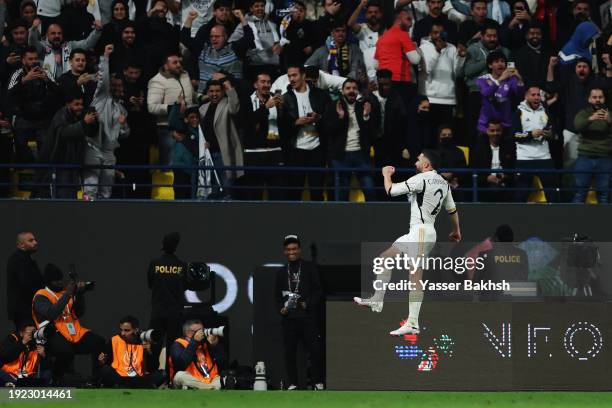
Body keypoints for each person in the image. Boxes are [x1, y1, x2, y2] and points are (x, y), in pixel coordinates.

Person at [354, 150, 461, 336]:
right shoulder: (444, 183)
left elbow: (391, 190)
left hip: (421, 232)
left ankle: (412, 323)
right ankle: (377, 299)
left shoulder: (421, 179)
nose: (416, 161)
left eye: (419, 159)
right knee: (385, 258)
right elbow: (452, 210)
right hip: (417, 233)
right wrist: (456, 230)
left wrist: (386, 174)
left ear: (427, 164)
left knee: (415, 276)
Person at [32, 263, 105, 382]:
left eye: (61, 279)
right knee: (66, 352)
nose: (60, 282)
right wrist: (67, 294)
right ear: (49, 282)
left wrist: (80, 295)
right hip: (52, 333)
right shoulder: (41, 295)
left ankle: (96, 379)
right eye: (57, 281)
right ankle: (55, 376)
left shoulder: (64, 292)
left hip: (73, 332)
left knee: (99, 342)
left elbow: (79, 313)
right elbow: (51, 313)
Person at [275, 235, 323, 390]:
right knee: (290, 353)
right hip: (289, 319)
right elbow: (276, 295)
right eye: (288, 249)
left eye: (294, 249)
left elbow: (318, 291)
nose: (291, 252)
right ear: (284, 252)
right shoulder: (282, 272)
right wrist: (281, 309)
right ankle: (293, 384)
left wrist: (306, 303)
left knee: (315, 351)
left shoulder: (309, 267)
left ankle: (317, 382)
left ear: (299, 250)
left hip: (308, 318)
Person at [278, 65, 331, 201]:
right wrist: (296, 123)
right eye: (289, 76)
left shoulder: (321, 95)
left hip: (317, 148)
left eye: (294, 75)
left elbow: (330, 120)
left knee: (317, 191)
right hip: (296, 150)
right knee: (295, 192)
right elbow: (282, 127)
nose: (291, 79)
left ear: (303, 76)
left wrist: (317, 118)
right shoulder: (285, 98)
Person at [83, 44, 129, 199]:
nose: (116, 88)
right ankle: (87, 216)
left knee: (106, 189)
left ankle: (101, 219)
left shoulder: (122, 109)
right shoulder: (101, 96)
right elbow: (104, 78)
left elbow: (124, 134)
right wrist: (106, 57)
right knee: (90, 187)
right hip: (93, 146)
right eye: (113, 85)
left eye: (119, 86)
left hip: (110, 152)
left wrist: (122, 125)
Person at [35, 91, 99, 199]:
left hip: (71, 166)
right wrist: (84, 123)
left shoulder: (77, 116)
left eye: (81, 104)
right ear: (68, 104)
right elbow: (65, 133)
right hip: (59, 165)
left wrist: (94, 123)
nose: (80, 107)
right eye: (76, 104)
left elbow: (90, 133)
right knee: (63, 196)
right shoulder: (61, 115)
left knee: (70, 197)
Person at [324, 78, 379, 201]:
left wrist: (366, 117)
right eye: (348, 88)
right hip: (341, 156)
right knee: (342, 194)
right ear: (342, 91)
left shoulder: (364, 106)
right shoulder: (334, 106)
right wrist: (340, 117)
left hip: (361, 155)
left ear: (358, 91)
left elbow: (372, 133)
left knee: (370, 190)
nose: (351, 91)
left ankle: (373, 219)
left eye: (354, 88)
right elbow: (328, 131)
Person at [418, 22, 465, 145]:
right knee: (429, 135)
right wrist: (438, 50)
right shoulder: (424, 48)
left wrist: (461, 57)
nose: (438, 36)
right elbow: (427, 68)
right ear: (430, 34)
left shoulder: (452, 48)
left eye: (441, 33)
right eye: (435, 33)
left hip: (448, 100)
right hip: (430, 99)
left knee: (447, 136)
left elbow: (457, 73)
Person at [147, 53, 195, 166]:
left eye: (179, 62)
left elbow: (191, 95)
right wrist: (174, 108)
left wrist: (201, 97)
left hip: (188, 127)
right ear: (166, 66)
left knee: (189, 165)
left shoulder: (185, 75)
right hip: (168, 130)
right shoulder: (157, 81)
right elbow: (152, 107)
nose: (179, 65)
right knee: (171, 167)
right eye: (175, 63)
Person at [198, 78, 244, 196]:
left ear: (222, 92)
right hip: (208, 155)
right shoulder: (203, 108)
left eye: (217, 91)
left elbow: (235, 109)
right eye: (211, 91)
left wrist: (230, 88)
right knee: (212, 189)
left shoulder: (227, 103)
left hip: (223, 154)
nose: (214, 94)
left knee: (226, 188)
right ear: (207, 93)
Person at [512, 85, 557, 202]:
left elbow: (554, 131)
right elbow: (514, 135)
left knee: (552, 193)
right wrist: (531, 134)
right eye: (533, 95)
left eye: (538, 95)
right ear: (526, 96)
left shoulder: (546, 111)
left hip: (544, 157)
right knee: (521, 193)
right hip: (524, 158)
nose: (536, 97)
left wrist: (550, 134)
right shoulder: (519, 112)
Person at [244, 72, 285, 200]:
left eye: (268, 82)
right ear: (255, 84)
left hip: (275, 152)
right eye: (263, 82)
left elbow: (285, 125)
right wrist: (266, 108)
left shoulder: (277, 100)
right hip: (253, 153)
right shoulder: (247, 100)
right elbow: (246, 122)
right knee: (254, 196)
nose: (267, 85)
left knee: (276, 195)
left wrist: (282, 109)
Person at [147, 232, 188, 359]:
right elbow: (185, 286)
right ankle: (173, 377)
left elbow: (150, 284)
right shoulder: (182, 265)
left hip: (158, 312)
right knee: (174, 348)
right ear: (176, 247)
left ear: (162, 246)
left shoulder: (154, 263)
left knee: (154, 345)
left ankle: (152, 376)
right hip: (175, 314)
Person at [98, 316, 165, 388]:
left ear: (135, 330)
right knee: (105, 370)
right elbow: (108, 363)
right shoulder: (114, 340)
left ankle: (126, 385)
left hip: (139, 377)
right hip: (120, 376)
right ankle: (140, 385)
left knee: (163, 374)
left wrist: (149, 352)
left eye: (127, 330)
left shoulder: (145, 340)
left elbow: (152, 369)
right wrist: (102, 361)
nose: (123, 333)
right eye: (121, 330)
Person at [28, 19, 102, 82]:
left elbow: (87, 44)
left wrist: (97, 31)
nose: (57, 36)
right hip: (47, 87)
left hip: (68, 86)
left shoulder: (69, 46)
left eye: (59, 33)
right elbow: (32, 44)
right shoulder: (42, 47)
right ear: (47, 35)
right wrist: (33, 29)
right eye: (53, 33)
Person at [374, 8, 420, 109]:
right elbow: (415, 60)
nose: (411, 24)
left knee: (389, 116)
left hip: (384, 83)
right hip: (401, 82)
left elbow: (376, 65)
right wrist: (416, 48)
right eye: (408, 19)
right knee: (402, 118)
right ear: (398, 20)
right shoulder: (403, 35)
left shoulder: (382, 38)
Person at [572, 87, 612, 204]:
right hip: (585, 157)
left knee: (604, 195)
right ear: (589, 99)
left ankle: (605, 222)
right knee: (580, 193)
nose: (597, 100)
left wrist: (610, 120)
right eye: (594, 97)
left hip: (605, 158)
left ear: (604, 99)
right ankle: (575, 221)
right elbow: (577, 126)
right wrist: (591, 119)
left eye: (600, 97)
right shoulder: (583, 113)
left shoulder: (609, 115)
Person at [476, 51, 524, 137]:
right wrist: (500, 80)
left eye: (502, 61)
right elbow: (486, 93)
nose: (500, 64)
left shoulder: (510, 79)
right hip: (486, 124)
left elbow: (519, 93)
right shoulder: (483, 79)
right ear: (490, 65)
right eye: (496, 61)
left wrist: (519, 78)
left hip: (504, 124)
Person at [169, 319, 223, 390]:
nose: (203, 333)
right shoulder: (177, 344)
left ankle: (204, 388)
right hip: (191, 380)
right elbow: (181, 364)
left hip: (209, 380)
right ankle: (210, 389)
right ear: (188, 332)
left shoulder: (206, 344)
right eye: (199, 331)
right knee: (179, 376)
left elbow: (223, 363)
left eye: (203, 330)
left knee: (221, 378)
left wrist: (215, 346)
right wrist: (194, 342)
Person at [470, 119, 515, 201]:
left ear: (502, 131)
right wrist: (487, 178)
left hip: (505, 185)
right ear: (487, 131)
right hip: (485, 186)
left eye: (498, 130)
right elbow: (473, 169)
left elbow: (514, 168)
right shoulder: (479, 148)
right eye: (492, 131)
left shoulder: (509, 147)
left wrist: (505, 176)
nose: (495, 133)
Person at [6, 232, 43, 330]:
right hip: (24, 310)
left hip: (27, 309)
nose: (35, 242)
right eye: (31, 240)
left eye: (35, 240)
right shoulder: (19, 260)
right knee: (29, 339)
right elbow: (27, 283)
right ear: (21, 245)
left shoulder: (26, 259)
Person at [0, 320, 52, 387]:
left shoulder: (38, 344)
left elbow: (46, 366)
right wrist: (22, 343)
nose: (32, 335)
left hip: (28, 376)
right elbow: (5, 357)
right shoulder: (12, 339)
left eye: (34, 332)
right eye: (29, 333)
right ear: (21, 333)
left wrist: (43, 355)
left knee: (47, 374)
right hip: (9, 374)